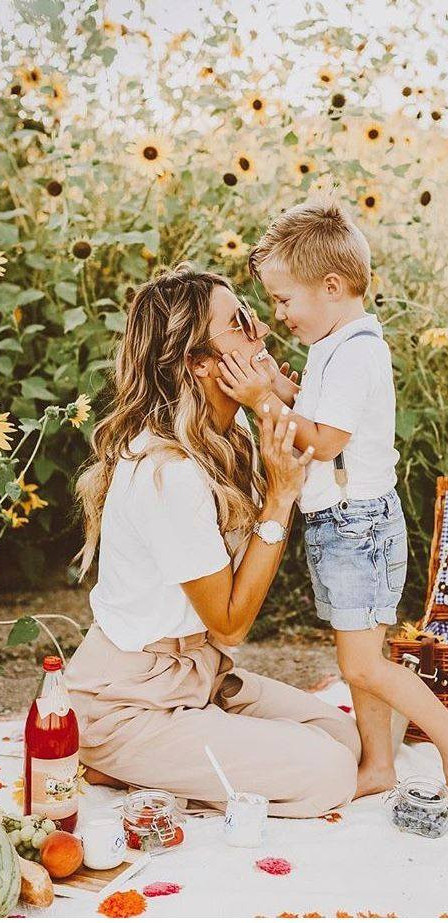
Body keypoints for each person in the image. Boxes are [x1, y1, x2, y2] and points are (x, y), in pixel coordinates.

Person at [64, 262, 361, 818]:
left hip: (200, 676)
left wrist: (280, 399)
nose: (262, 329)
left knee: (344, 736)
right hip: (129, 701)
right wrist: (279, 498)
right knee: (329, 772)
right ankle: (114, 756)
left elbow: (326, 445)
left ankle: (169, 763)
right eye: (240, 324)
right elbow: (230, 624)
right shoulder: (167, 471)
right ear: (198, 363)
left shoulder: (234, 434)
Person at [216, 198, 448, 796]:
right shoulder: (336, 344)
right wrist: (279, 385)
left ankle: (446, 735)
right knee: (361, 661)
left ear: (331, 286)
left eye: (283, 300)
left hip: (356, 524)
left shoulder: (357, 352)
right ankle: (379, 765)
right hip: (346, 522)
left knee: (362, 665)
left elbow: (323, 440)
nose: (279, 314)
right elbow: (317, 408)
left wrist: (259, 401)